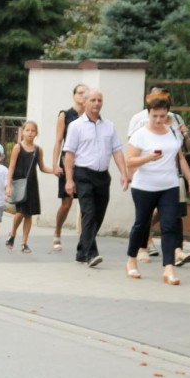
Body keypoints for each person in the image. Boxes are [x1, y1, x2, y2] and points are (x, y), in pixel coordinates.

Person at [124, 94, 190, 284]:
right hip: (144, 187)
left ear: (167, 115)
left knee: (169, 225)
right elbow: (129, 160)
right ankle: (131, 261)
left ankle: (169, 268)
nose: (158, 120)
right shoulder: (141, 134)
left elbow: (180, 158)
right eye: (155, 116)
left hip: (169, 185)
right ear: (149, 114)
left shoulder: (173, 132)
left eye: (162, 116)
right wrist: (148, 158)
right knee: (142, 224)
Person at [63, 89, 130, 267]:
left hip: (102, 176)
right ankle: (91, 253)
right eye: (92, 100)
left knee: (98, 215)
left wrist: (124, 172)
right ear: (85, 103)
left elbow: (117, 150)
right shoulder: (76, 126)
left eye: (99, 100)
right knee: (89, 213)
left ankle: (81, 251)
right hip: (83, 174)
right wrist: (69, 180)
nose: (96, 103)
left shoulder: (109, 126)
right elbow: (69, 155)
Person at [51, 84, 87, 252]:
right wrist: (54, 164)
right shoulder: (65, 115)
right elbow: (59, 141)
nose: (83, 96)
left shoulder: (90, 116)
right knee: (67, 203)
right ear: (74, 96)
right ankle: (57, 231)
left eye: (85, 93)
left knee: (87, 202)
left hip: (85, 163)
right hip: (67, 163)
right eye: (80, 93)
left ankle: (85, 237)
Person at [4, 121, 50, 252]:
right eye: (27, 130)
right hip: (19, 183)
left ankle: (24, 242)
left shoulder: (38, 149)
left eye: (33, 131)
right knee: (20, 213)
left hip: (32, 184)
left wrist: (54, 171)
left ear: (36, 133)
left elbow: (42, 167)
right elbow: (11, 167)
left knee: (29, 214)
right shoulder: (18, 147)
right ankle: (12, 233)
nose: (30, 133)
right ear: (23, 132)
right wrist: (8, 186)